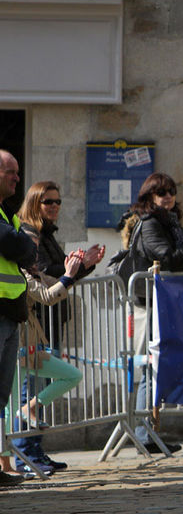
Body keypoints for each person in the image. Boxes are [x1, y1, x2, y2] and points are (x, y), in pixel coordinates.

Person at [10, 181, 105, 470]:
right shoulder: (29, 233)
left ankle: (34, 450)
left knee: (41, 387)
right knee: (29, 388)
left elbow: (56, 276)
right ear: (35, 203)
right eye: (47, 201)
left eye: (57, 201)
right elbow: (42, 276)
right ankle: (25, 454)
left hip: (47, 320)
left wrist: (82, 267)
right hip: (31, 322)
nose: (54, 206)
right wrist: (71, 269)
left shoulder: (47, 234)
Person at [121, 172, 183, 453]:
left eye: (171, 191)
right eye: (161, 192)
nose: (168, 196)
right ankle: (143, 434)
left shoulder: (170, 222)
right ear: (149, 197)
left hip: (165, 302)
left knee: (160, 365)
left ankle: (148, 432)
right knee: (151, 367)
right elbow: (168, 259)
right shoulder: (150, 224)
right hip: (149, 303)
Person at [2, 251, 85, 478]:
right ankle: (9, 464)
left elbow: (60, 287)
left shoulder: (32, 274)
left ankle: (31, 407)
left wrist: (78, 268)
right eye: (31, 248)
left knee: (72, 375)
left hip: (31, 346)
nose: (35, 254)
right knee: (7, 409)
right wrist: (68, 275)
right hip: (18, 345)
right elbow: (48, 296)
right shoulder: (22, 276)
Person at [0, 149, 38, 488]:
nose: (17, 178)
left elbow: (27, 249)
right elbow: (15, 246)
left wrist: (22, 245)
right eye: (10, 172)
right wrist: (21, 245)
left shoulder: (7, 213)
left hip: (8, 313)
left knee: (1, 396)